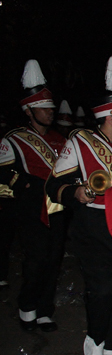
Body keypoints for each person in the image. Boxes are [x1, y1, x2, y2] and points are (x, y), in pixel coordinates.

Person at [47, 56, 112, 355]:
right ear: (111, 116)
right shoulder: (80, 141)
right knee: (102, 290)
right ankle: (95, 339)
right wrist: (76, 193)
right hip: (93, 224)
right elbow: (53, 184)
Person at [0, 59, 66, 332]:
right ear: (29, 111)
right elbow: (5, 174)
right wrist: (28, 185)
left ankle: (45, 310)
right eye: (43, 108)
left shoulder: (60, 140)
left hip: (58, 208)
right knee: (36, 259)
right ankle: (28, 306)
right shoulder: (12, 139)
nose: (49, 112)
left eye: (50, 107)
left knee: (54, 259)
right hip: (29, 208)